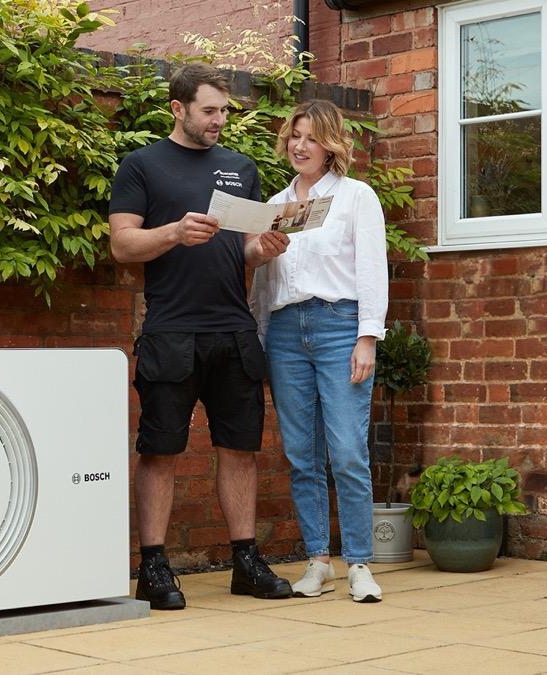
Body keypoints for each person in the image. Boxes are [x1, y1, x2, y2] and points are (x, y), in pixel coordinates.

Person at [109, 63, 293, 610]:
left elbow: (244, 248)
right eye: (209, 111)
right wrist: (172, 232)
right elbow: (122, 246)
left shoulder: (241, 167)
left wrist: (262, 250)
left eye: (224, 112)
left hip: (234, 330)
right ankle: (155, 568)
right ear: (178, 109)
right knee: (160, 450)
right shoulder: (140, 166)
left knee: (240, 450)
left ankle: (245, 561)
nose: (219, 121)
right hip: (171, 330)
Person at [250, 99, 389, 603]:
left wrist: (367, 337)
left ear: (330, 145)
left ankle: (359, 564)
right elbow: (266, 283)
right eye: (293, 135)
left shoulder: (356, 197)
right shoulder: (275, 205)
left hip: (338, 327)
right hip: (286, 332)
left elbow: (373, 269)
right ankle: (317, 560)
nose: (299, 145)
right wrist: (263, 337)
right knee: (301, 454)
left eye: (310, 137)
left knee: (348, 451)